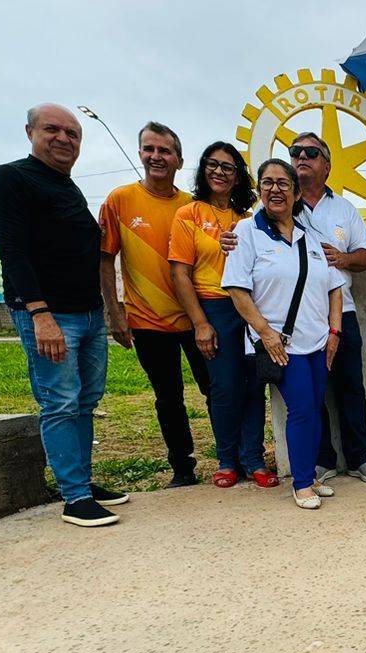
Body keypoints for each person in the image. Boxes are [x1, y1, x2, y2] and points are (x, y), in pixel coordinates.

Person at [0, 103, 127, 527]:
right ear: (30, 131)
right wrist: (39, 313)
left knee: (86, 401)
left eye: (73, 133)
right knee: (60, 402)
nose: (64, 138)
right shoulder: (10, 178)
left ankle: (81, 480)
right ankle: (75, 497)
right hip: (50, 314)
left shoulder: (67, 186)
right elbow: (12, 251)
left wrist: (107, 309)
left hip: (87, 312)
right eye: (53, 129)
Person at [221, 159, 345, 509]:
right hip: (279, 345)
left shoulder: (311, 237)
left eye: (282, 183)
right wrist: (266, 333)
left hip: (318, 342)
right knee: (302, 408)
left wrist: (335, 330)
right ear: (259, 190)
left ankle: (311, 474)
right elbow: (236, 289)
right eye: (267, 183)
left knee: (315, 406)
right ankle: (302, 482)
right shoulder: (246, 232)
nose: (275, 189)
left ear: (295, 191)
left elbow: (335, 287)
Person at [99, 122, 214, 488]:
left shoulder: (194, 206)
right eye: (149, 149)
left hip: (197, 318)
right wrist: (114, 313)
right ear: (140, 154)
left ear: (179, 160)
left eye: (164, 151)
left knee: (216, 389)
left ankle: (231, 458)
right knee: (168, 398)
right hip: (148, 321)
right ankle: (183, 468)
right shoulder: (119, 201)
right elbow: (104, 260)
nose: (156, 157)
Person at [169, 141, 273, 488]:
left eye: (228, 167)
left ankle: (254, 459)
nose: (219, 172)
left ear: (238, 175)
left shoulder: (248, 220)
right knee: (225, 388)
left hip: (250, 308)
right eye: (213, 164)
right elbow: (180, 273)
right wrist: (200, 323)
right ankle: (228, 461)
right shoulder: (189, 214)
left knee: (254, 386)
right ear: (203, 169)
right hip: (213, 307)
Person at [289, 132, 366, 486]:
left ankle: (359, 457)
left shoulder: (344, 209)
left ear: (326, 165)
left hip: (342, 311)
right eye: (295, 152)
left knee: (350, 386)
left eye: (311, 152)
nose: (302, 157)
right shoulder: (279, 207)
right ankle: (322, 460)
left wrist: (343, 258)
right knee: (313, 391)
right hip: (301, 316)